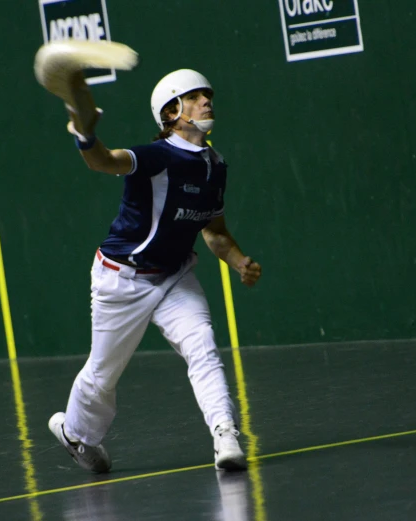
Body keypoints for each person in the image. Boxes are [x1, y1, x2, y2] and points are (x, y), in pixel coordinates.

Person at [48, 69, 262, 473]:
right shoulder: (154, 157)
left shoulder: (215, 165)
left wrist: (238, 262)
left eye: (207, 95)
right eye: (195, 96)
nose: (206, 102)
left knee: (202, 345)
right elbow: (103, 161)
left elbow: (213, 230)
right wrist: (85, 136)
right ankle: (76, 433)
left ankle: (225, 434)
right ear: (172, 111)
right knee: (102, 375)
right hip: (122, 279)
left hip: (175, 275)